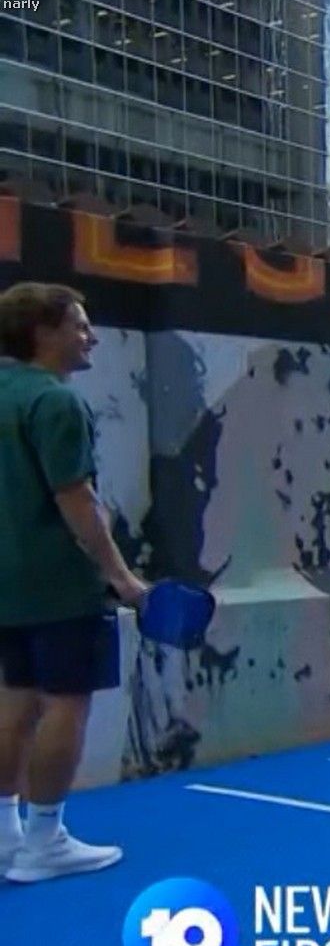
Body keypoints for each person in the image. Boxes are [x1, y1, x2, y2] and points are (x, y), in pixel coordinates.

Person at [0, 283, 149, 884]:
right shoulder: (56, 402)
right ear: (43, 332)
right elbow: (77, 500)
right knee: (65, 704)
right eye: (80, 326)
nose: (91, 337)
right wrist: (121, 576)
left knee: (14, 701)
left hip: (7, 586)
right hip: (60, 585)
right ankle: (44, 841)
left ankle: (5, 835)